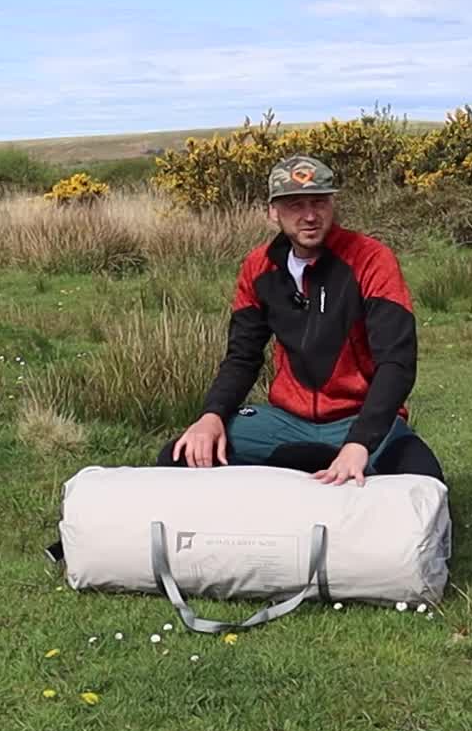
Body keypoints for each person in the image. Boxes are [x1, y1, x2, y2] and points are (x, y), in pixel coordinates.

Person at [156, 155, 443, 486]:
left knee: (426, 481)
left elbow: (397, 362)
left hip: (359, 419)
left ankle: (331, 469)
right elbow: (243, 356)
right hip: (284, 422)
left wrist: (359, 443)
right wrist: (211, 416)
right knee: (179, 456)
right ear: (272, 212)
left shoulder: (371, 259)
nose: (309, 216)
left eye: (319, 202)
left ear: (333, 204)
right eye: (295, 205)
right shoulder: (258, 267)